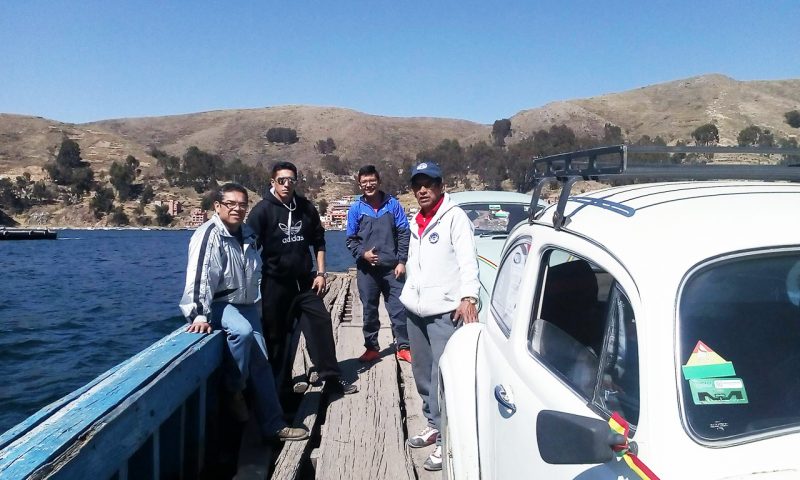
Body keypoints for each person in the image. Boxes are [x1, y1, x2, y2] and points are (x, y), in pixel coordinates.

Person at [179, 183, 308, 442]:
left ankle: (274, 425)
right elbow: (200, 277)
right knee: (242, 331)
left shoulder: (247, 234)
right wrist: (199, 314)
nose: (237, 209)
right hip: (219, 303)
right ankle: (234, 389)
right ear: (217, 206)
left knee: (262, 362)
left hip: (247, 305)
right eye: (231, 204)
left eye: (242, 204)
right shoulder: (209, 235)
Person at [246, 162, 357, 395]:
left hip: (306, 282)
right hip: (275, 284)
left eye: (291, 180)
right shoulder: (262, 211)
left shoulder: (306, 208)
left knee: (321, 324)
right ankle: (279, 389)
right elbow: (246, 247)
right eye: (281, 180)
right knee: (276, 337)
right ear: (273, 182)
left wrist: (321, 273)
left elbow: (319, 241)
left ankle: (331, 379)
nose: (286, 184)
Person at [400, 162, 479, 471]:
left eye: (429, 184)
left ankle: (448, 439)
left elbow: (468, 260)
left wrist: (469, 296)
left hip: (444, 310)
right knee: (422, 371)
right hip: (416, 309)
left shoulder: (454, 217)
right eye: (417, 185)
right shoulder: (415, 220)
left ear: (440, 186)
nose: (423, 190)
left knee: (443, 376)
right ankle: (433, 424)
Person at [346, 165, 411, 363]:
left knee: (399, 309)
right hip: (367, 271)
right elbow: (351, 240)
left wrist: (402, 261)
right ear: (359, 184)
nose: (368, 185)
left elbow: (404, 233)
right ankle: (371, 347)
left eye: (372, 181)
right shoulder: (356, 209)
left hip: (392, 269)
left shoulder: (393, 204)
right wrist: (363, 254)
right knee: (369, 310)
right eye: (364, 182)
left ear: (379, 181)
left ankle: (404, 347)